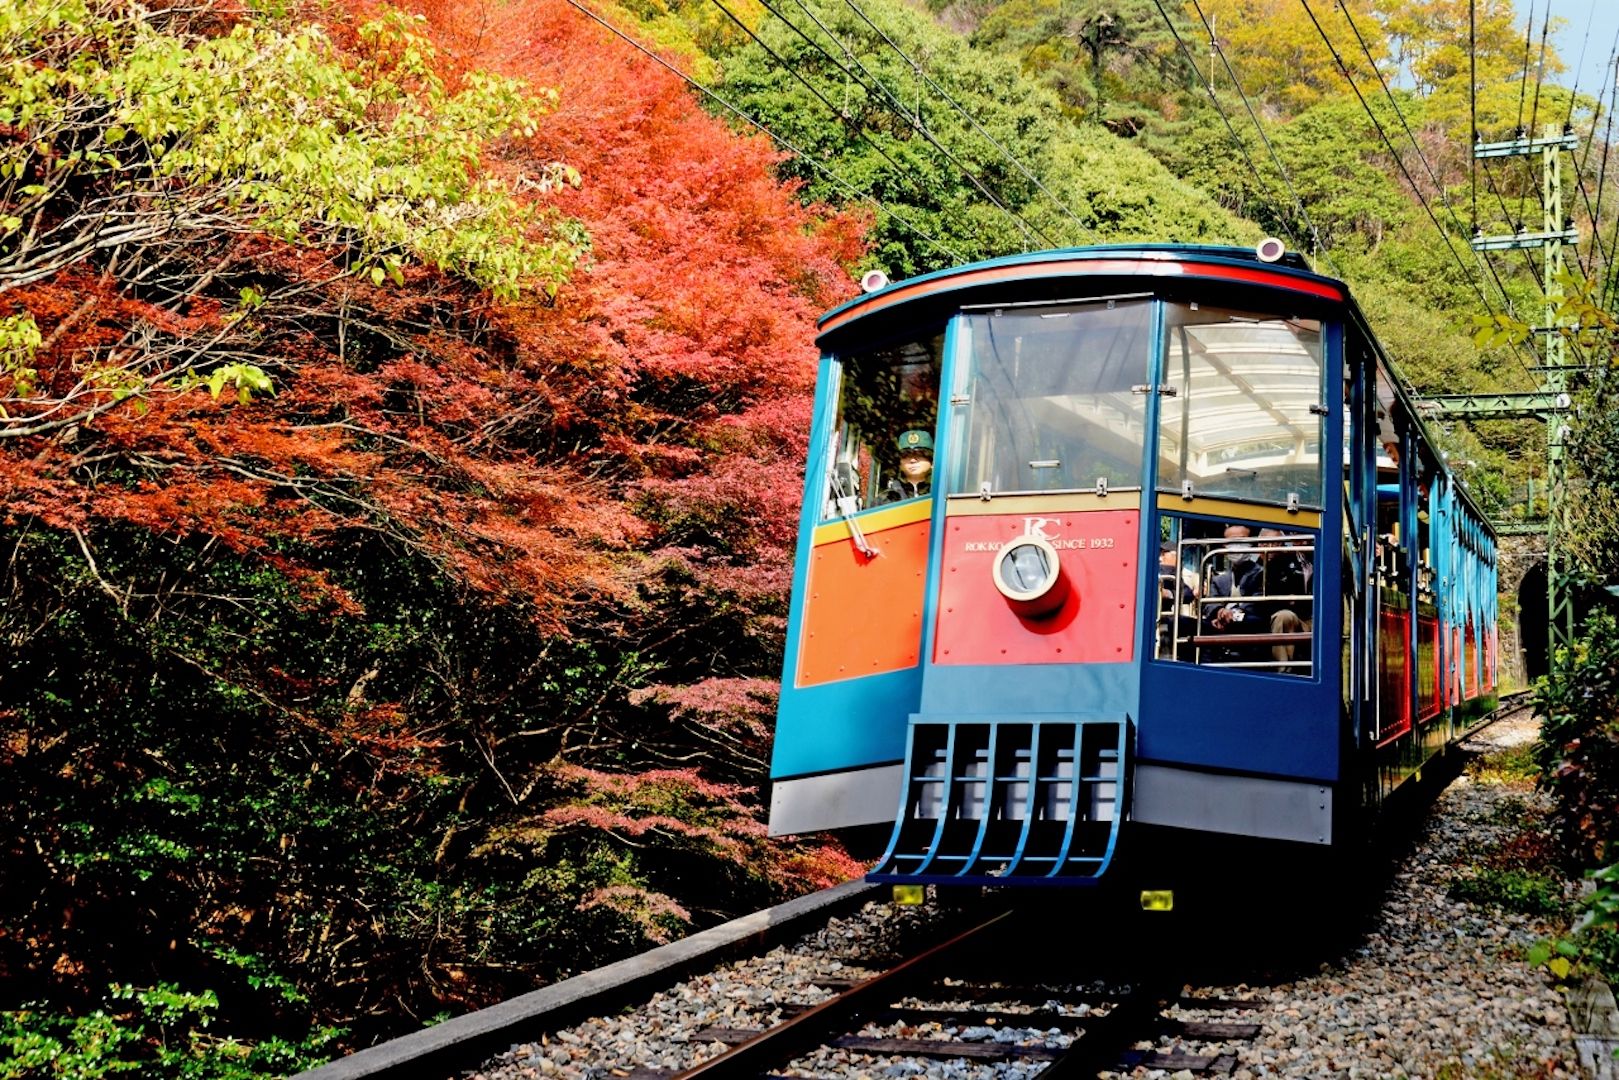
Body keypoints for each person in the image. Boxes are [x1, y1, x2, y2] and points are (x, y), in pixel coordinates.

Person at [1201, 524, 1263, 664]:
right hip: (1220, 623)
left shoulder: (1261, 574)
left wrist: (1231, 615)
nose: (1238, 546)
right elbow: (1210, 602)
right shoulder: (1219, 579)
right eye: (1232, 542)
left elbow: (1257, 603)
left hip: (1248, 623)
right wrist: (1220, 612)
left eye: (1242, 541)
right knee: (1183, 623)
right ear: (1224, 547)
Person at [1256, 527, 1313, 673]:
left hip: (1320, 618)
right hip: (1297, 616)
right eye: (1299, 536)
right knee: (1284, 616)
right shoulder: (1281, 561)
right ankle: (1283, 672)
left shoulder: (1326, 558)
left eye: (1309, 536)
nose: (1305, 541)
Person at [884, 429, 933, 501]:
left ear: (931, 461)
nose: (913, 460)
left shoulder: (942, 494)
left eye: (919, 455)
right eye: (906, 456)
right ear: (900, 463)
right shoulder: (887, 498)